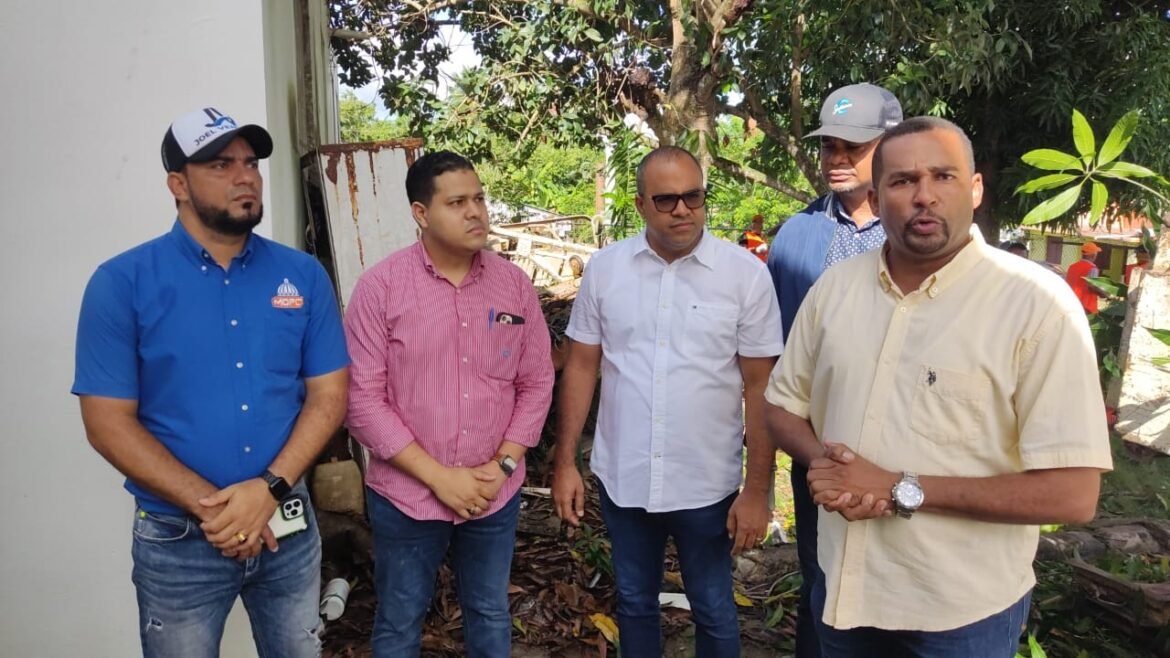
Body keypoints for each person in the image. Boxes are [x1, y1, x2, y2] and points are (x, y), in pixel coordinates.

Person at [766, 116, 1112, 657]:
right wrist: (827, 464)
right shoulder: (836, 288)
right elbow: (782, 406)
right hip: (845, 593)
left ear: (974, 190)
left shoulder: (1036, 306)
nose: (924, 195)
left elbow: (1073, 493)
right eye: (903, 181)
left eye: (943, 177)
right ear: (876, 200)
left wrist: (898, 487)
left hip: (961, 615)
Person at [72, 106, 351, 657]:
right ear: (177, 184)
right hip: (178, 539)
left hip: (287, 526)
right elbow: (106, 424)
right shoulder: (121, 283)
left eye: (250, 163)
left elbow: (329, 394)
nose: (245, 177)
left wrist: (268, 490)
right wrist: (218, 510)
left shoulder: (302, 276)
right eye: (221, 165)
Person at [552, 146, 783, 657]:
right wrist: (566, 461)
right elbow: (582, 366)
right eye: (666, 200)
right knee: (635, 601)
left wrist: (757, 490)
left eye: (693, 197)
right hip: (625, 477)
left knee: (713, 606)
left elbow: (760, 386)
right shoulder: (606, 270)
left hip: (707, 484)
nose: (682, 210)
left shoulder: (744, 275)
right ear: (640, 204)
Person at [344, 151, 554, 658]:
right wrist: (439, 478)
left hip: (493, 492)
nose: (475, 211)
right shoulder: (381, 288)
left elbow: (536, 382)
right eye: (457, 202)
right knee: (399, 620)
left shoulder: (513, 285)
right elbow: (362, 399)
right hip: (408, 496)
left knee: (489, 612)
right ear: (421, 213)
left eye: (478, 198)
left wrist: (503, 466)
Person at [765, 82, 902, 658]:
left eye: (854, 146)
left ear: (890, 147)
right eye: (829, 146)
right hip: (818, 449)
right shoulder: (798, 235)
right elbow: (776, 353)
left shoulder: (915, 231)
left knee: (898, 589)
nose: (837, 158)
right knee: (821, 577)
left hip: (904, 449)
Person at [1066, 242, 1108, 313]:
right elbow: (1092, 286)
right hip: (1086, 306)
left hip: (1071, 303)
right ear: (1093, 255)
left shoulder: (1072, 267)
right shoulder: (1092, 268)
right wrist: (1104, 294)